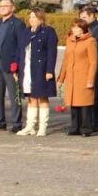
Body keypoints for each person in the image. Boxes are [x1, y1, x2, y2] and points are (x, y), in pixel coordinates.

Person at [0, 0, 26, 132]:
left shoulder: (18, 24)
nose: (1, 8)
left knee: (14, 95)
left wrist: (17, 65)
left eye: (5, 6)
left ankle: (16, 123)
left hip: (10, 64)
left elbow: (21, 46)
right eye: (0, 6)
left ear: (12, 8)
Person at [15, 9, 58, 137]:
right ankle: (30, 126)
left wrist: (49, 70)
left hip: (41, 68)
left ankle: (42, 127)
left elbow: (52, 52)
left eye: (34, 17)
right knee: (31, 97)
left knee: (42, 97)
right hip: (27, 68)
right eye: (30, 17)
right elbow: (20, 51)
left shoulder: (48, 31)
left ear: (41, 18)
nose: (31, 19)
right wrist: (16, 69)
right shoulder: (26, 32)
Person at [57, 19, 98, 137]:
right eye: (73, 27)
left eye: (78, 28)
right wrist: (61, 78)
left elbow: (93, 62)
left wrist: (90, 79)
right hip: (71, 77)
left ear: (83, 30)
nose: (75, 30)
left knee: (84, 104)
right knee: (73, 103)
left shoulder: (90, 41)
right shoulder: (69, 41)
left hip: (83, 76)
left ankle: (85, 128)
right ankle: (74, 127)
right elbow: (65, 60)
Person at [79, 6, 98, 132]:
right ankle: (85, 121)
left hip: (96, 68)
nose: (82, 20)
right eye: (81, 18)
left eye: (84, 18)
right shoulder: (83, 29)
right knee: (85, 96)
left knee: (95, 96)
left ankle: (96, 122)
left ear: (92, 16)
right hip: (83, 68)